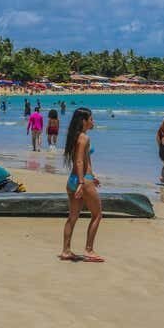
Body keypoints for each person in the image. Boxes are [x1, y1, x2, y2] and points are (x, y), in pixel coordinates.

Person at [60, 107, 103, 262]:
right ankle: (89, 250)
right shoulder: (84, 137)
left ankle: (66, 251)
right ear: (84, 121)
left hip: (73, 179)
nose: (93, 121)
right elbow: (79, 161)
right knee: (97, 214)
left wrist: (93, 175)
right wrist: (82, 182)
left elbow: (84, 160)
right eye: (91, 119)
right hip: (82, 180)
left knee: (72, 217)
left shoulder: (75, 136)